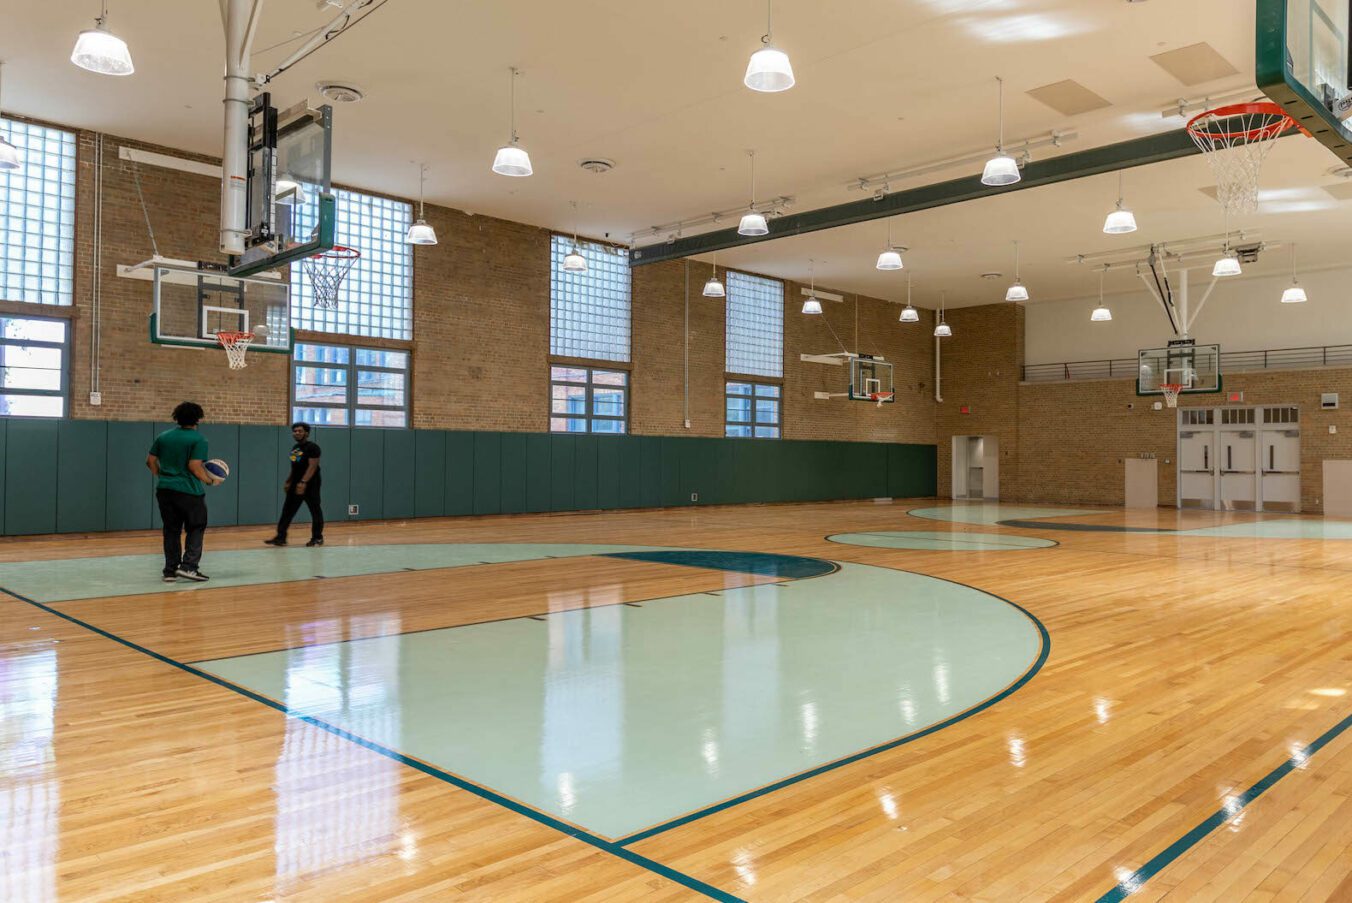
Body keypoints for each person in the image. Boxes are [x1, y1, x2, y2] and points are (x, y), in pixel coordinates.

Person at [146, 401, 221, 583]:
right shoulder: (198, 439)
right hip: (189, 491)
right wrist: (210, 481)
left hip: (165, 490)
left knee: (171, 530)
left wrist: (162, 476)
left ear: (176, 417)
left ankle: (170, 571)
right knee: (196, 527)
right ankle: (189, 567)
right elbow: (194, 466)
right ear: (198, 418)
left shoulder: (163, 436)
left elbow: (150, 461)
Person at [265, 422, 324, 547]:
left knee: (315, 510)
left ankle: (317, 538)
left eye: (300, 431)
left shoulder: (313, 447)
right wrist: (289, 481)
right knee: (287, 510)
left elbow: (312, 467)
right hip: (296, 482)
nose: (296, 433)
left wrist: (303, 482)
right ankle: (281, 537)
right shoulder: (295, 448)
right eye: (295, 431)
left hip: (310, 483)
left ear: (306, 433)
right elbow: (294, 467)